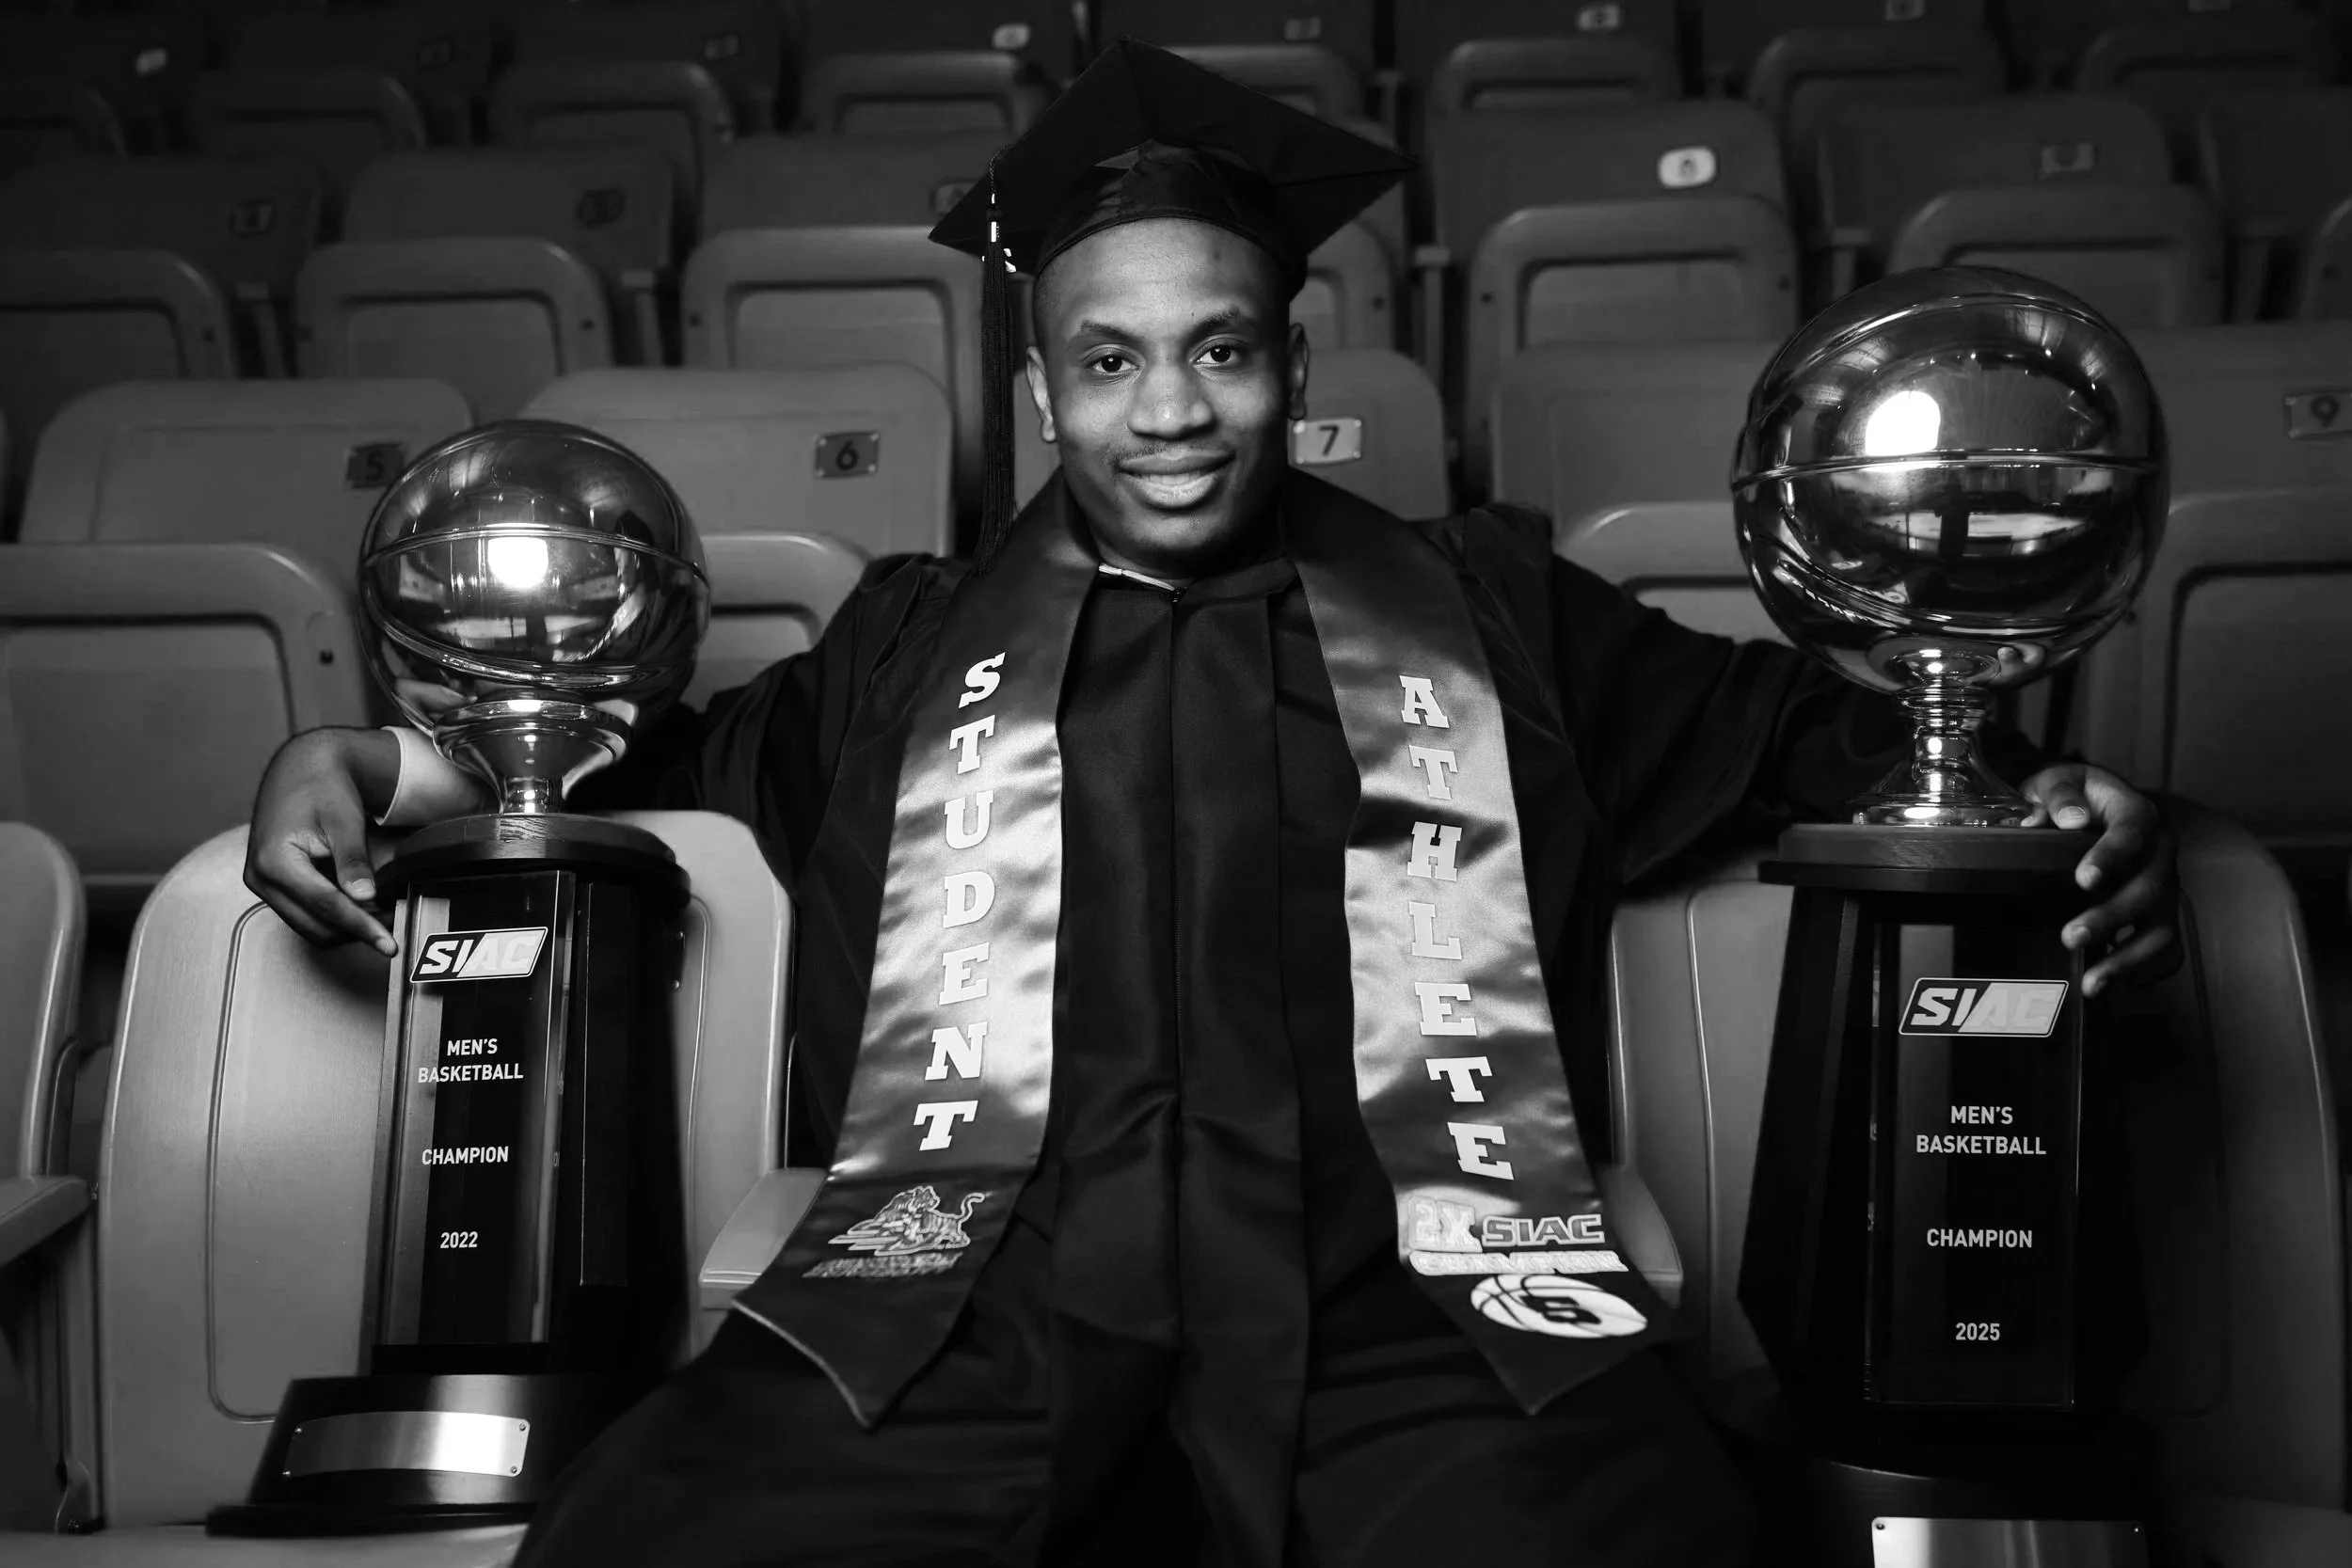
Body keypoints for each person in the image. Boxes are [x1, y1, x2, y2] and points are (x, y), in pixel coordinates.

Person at [245, 40, 2179, 1568]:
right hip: (962, 1321)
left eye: (1218, 349)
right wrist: (352, 759)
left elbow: (1808, 737)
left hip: (1422, 1321)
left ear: (1288, 363)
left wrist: (2040, 789)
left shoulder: (1489, 614)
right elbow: (624, 759)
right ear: (1038, 384)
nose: (1167, 412)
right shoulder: (914, 650)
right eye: (1109, 361)